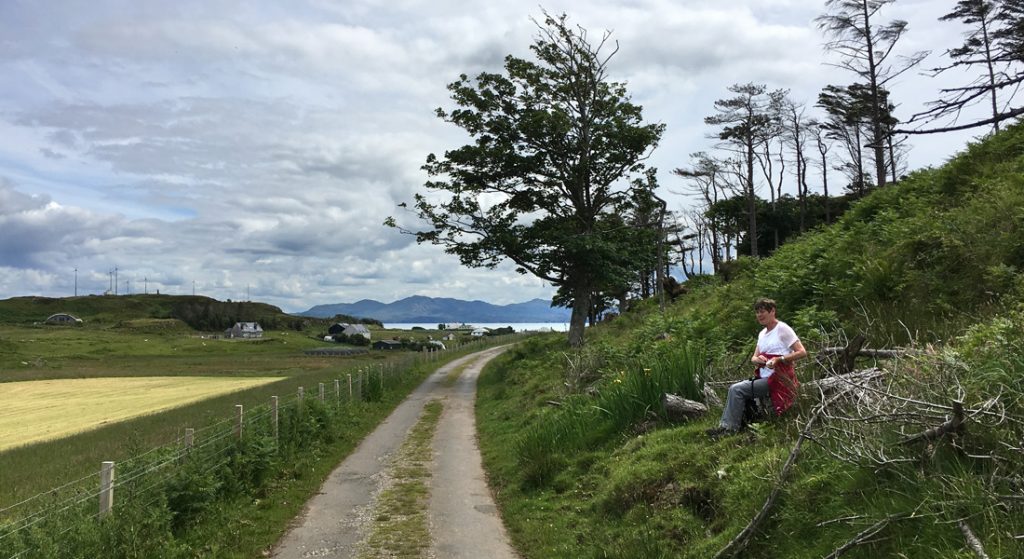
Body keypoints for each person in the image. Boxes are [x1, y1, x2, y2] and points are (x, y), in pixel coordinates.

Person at [707, 298, 807, 438]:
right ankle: (726, 427)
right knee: (735, 388)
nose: (759, 315)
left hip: (778, 379)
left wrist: (779, 359)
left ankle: (729, 430)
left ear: (772, 311)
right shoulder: (762, 334)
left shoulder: (783, 329)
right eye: (757, 312)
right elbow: (754, 358)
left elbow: (802, 352)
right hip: (764, 376)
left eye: (763, 311)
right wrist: (758, 360)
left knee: (737, 389)